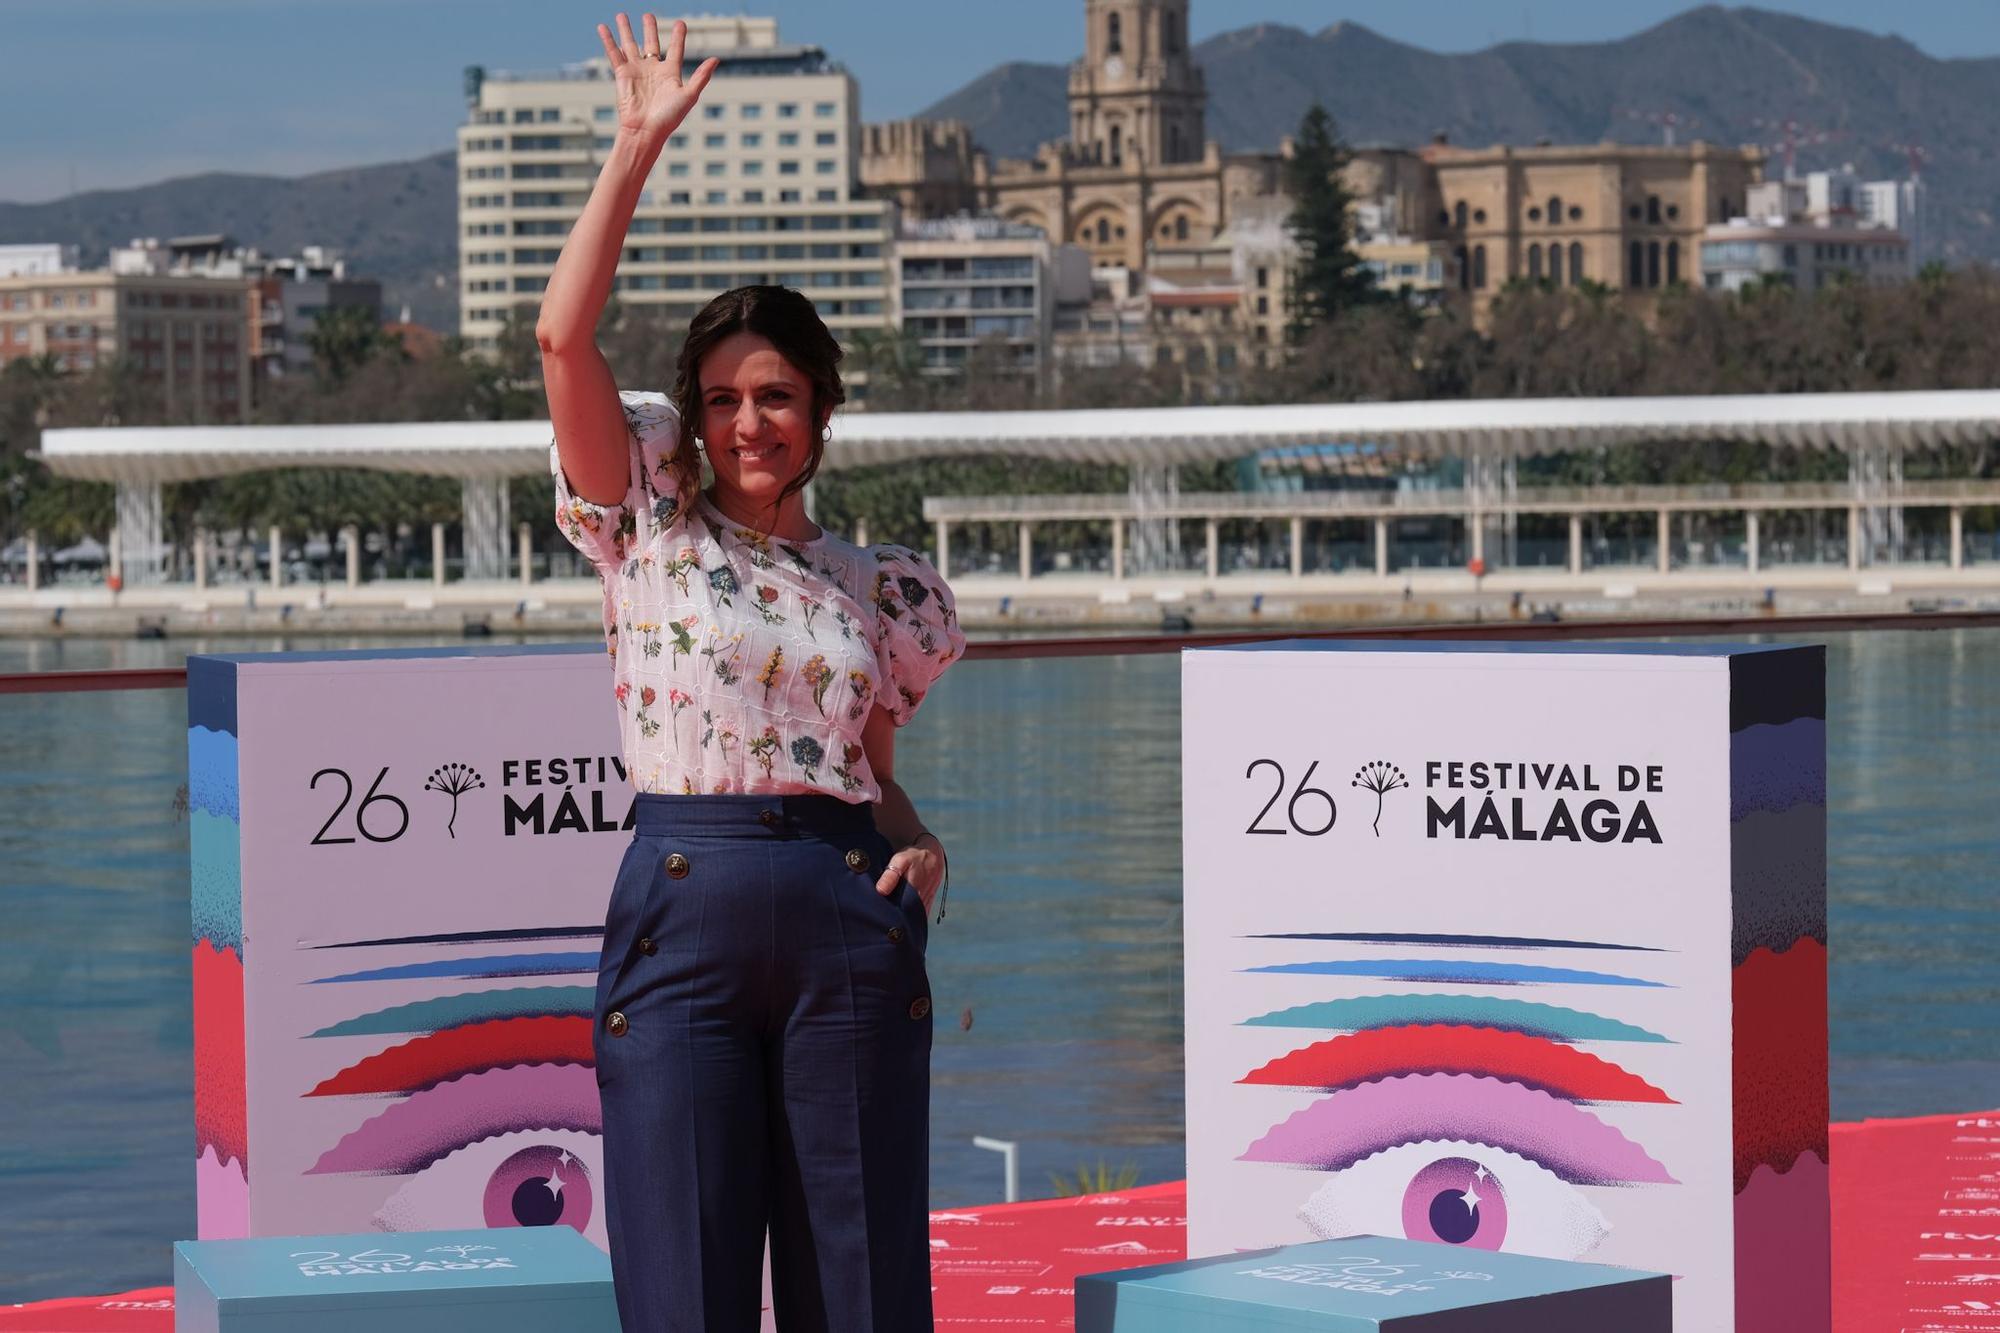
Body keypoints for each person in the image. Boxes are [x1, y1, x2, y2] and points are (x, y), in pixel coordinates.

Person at [537, 15, 964, 1331]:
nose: (746, 423)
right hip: (686, 911)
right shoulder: (648, 512)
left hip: (847, 912)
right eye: (721, 400)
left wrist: (921, 845)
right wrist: (633, 150)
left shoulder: (879, 586)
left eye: (774, 396)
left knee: (864, 1278)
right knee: (683, 1272)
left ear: (823, 409)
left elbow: (872, 776)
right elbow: (563, 341)